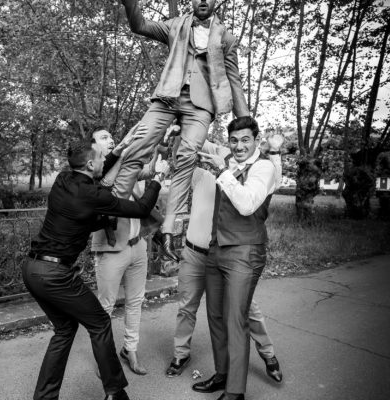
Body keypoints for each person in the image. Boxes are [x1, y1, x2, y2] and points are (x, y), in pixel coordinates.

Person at [22, 136, 167, 400]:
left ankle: (44, 397)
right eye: (101, 157)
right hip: (56, 275)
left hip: (32, 269)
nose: (105, 159)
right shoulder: (94, 195)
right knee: (100, 322)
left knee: (65, 330)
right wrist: (159, 178)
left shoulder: (63, 180)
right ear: (90, 164)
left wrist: (117, 154)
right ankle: (115, 393)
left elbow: (86, 206)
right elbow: (143, 207)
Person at [114, 0, 250, 262]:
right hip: (167, 97)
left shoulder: (228, 38)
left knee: (187, 156)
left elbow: (235, 81)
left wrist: (247, 126)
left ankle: (167, 229)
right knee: (139, 144)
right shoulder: (175, 25)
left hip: (200, 107)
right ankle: (111, 210)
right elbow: (139, 25)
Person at [165, 134, 284, 386]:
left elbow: (267, 182)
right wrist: (180, 132)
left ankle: (269, 355)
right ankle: (180, 355)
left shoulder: (241, 183)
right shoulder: (199, 176)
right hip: (195, 254)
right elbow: (182, 155)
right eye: (231, 145)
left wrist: (272, 152)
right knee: (187, 306)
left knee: (247, 312)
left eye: (241, 147)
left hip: (228, 256)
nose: (235, 151)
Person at [191, 116, 277, 400]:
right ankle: (223, 374)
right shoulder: (228, 159)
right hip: (217, 249)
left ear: (256, 139)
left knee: (235, 319)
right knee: (215, 316)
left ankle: (236, 392)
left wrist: (222, 172)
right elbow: (200, 141)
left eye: (245, 140)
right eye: (234, 140)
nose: (238, 146)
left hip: (245, 251)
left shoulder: (264, 167)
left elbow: (247, 203)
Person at [91, 127, 170, 376]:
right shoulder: (95, 175)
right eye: (103, 138)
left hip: (138, 246)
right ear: (93, 148)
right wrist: (123, 155)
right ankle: (103, 358)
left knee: (136, 302)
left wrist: (162, 145)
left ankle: (130, 350)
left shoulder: (127, 166)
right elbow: (109, 182)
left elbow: (148, 171)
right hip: (112, 249)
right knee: (105, 306)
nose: (110, 138)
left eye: (110, 136)